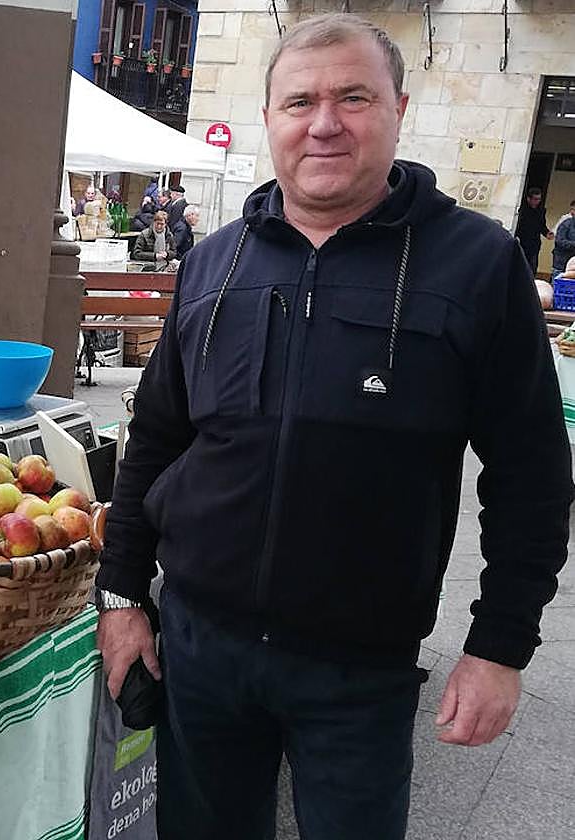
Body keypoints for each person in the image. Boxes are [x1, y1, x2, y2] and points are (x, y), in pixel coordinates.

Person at [94, 14, 572, 840]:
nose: (323, 123)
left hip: (360, 667)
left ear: (397, 108)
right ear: (270, 118)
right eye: (299, 101)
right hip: (200, 648)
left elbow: (531, 472)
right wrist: (122, 593)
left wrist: (499, 645)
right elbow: (158, 440)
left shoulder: (476, 263)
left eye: (352, 97)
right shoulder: (216, 260)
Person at [514, 186, 554, 277]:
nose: (537, 201)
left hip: (534, 243)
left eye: (539, 199)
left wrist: (547, 233)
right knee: (519, 265)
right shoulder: (521, 210)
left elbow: (542, 225)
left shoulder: (541, 210)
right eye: (535, 199)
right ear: (529, 199)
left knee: (532, 267)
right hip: (521, 241)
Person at [552, 199, 575, 279]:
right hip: (561, 263)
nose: (572, 212)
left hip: (573, 266)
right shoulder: (566, 223)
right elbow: (559, 241)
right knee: (557, 286)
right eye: (572, 209)